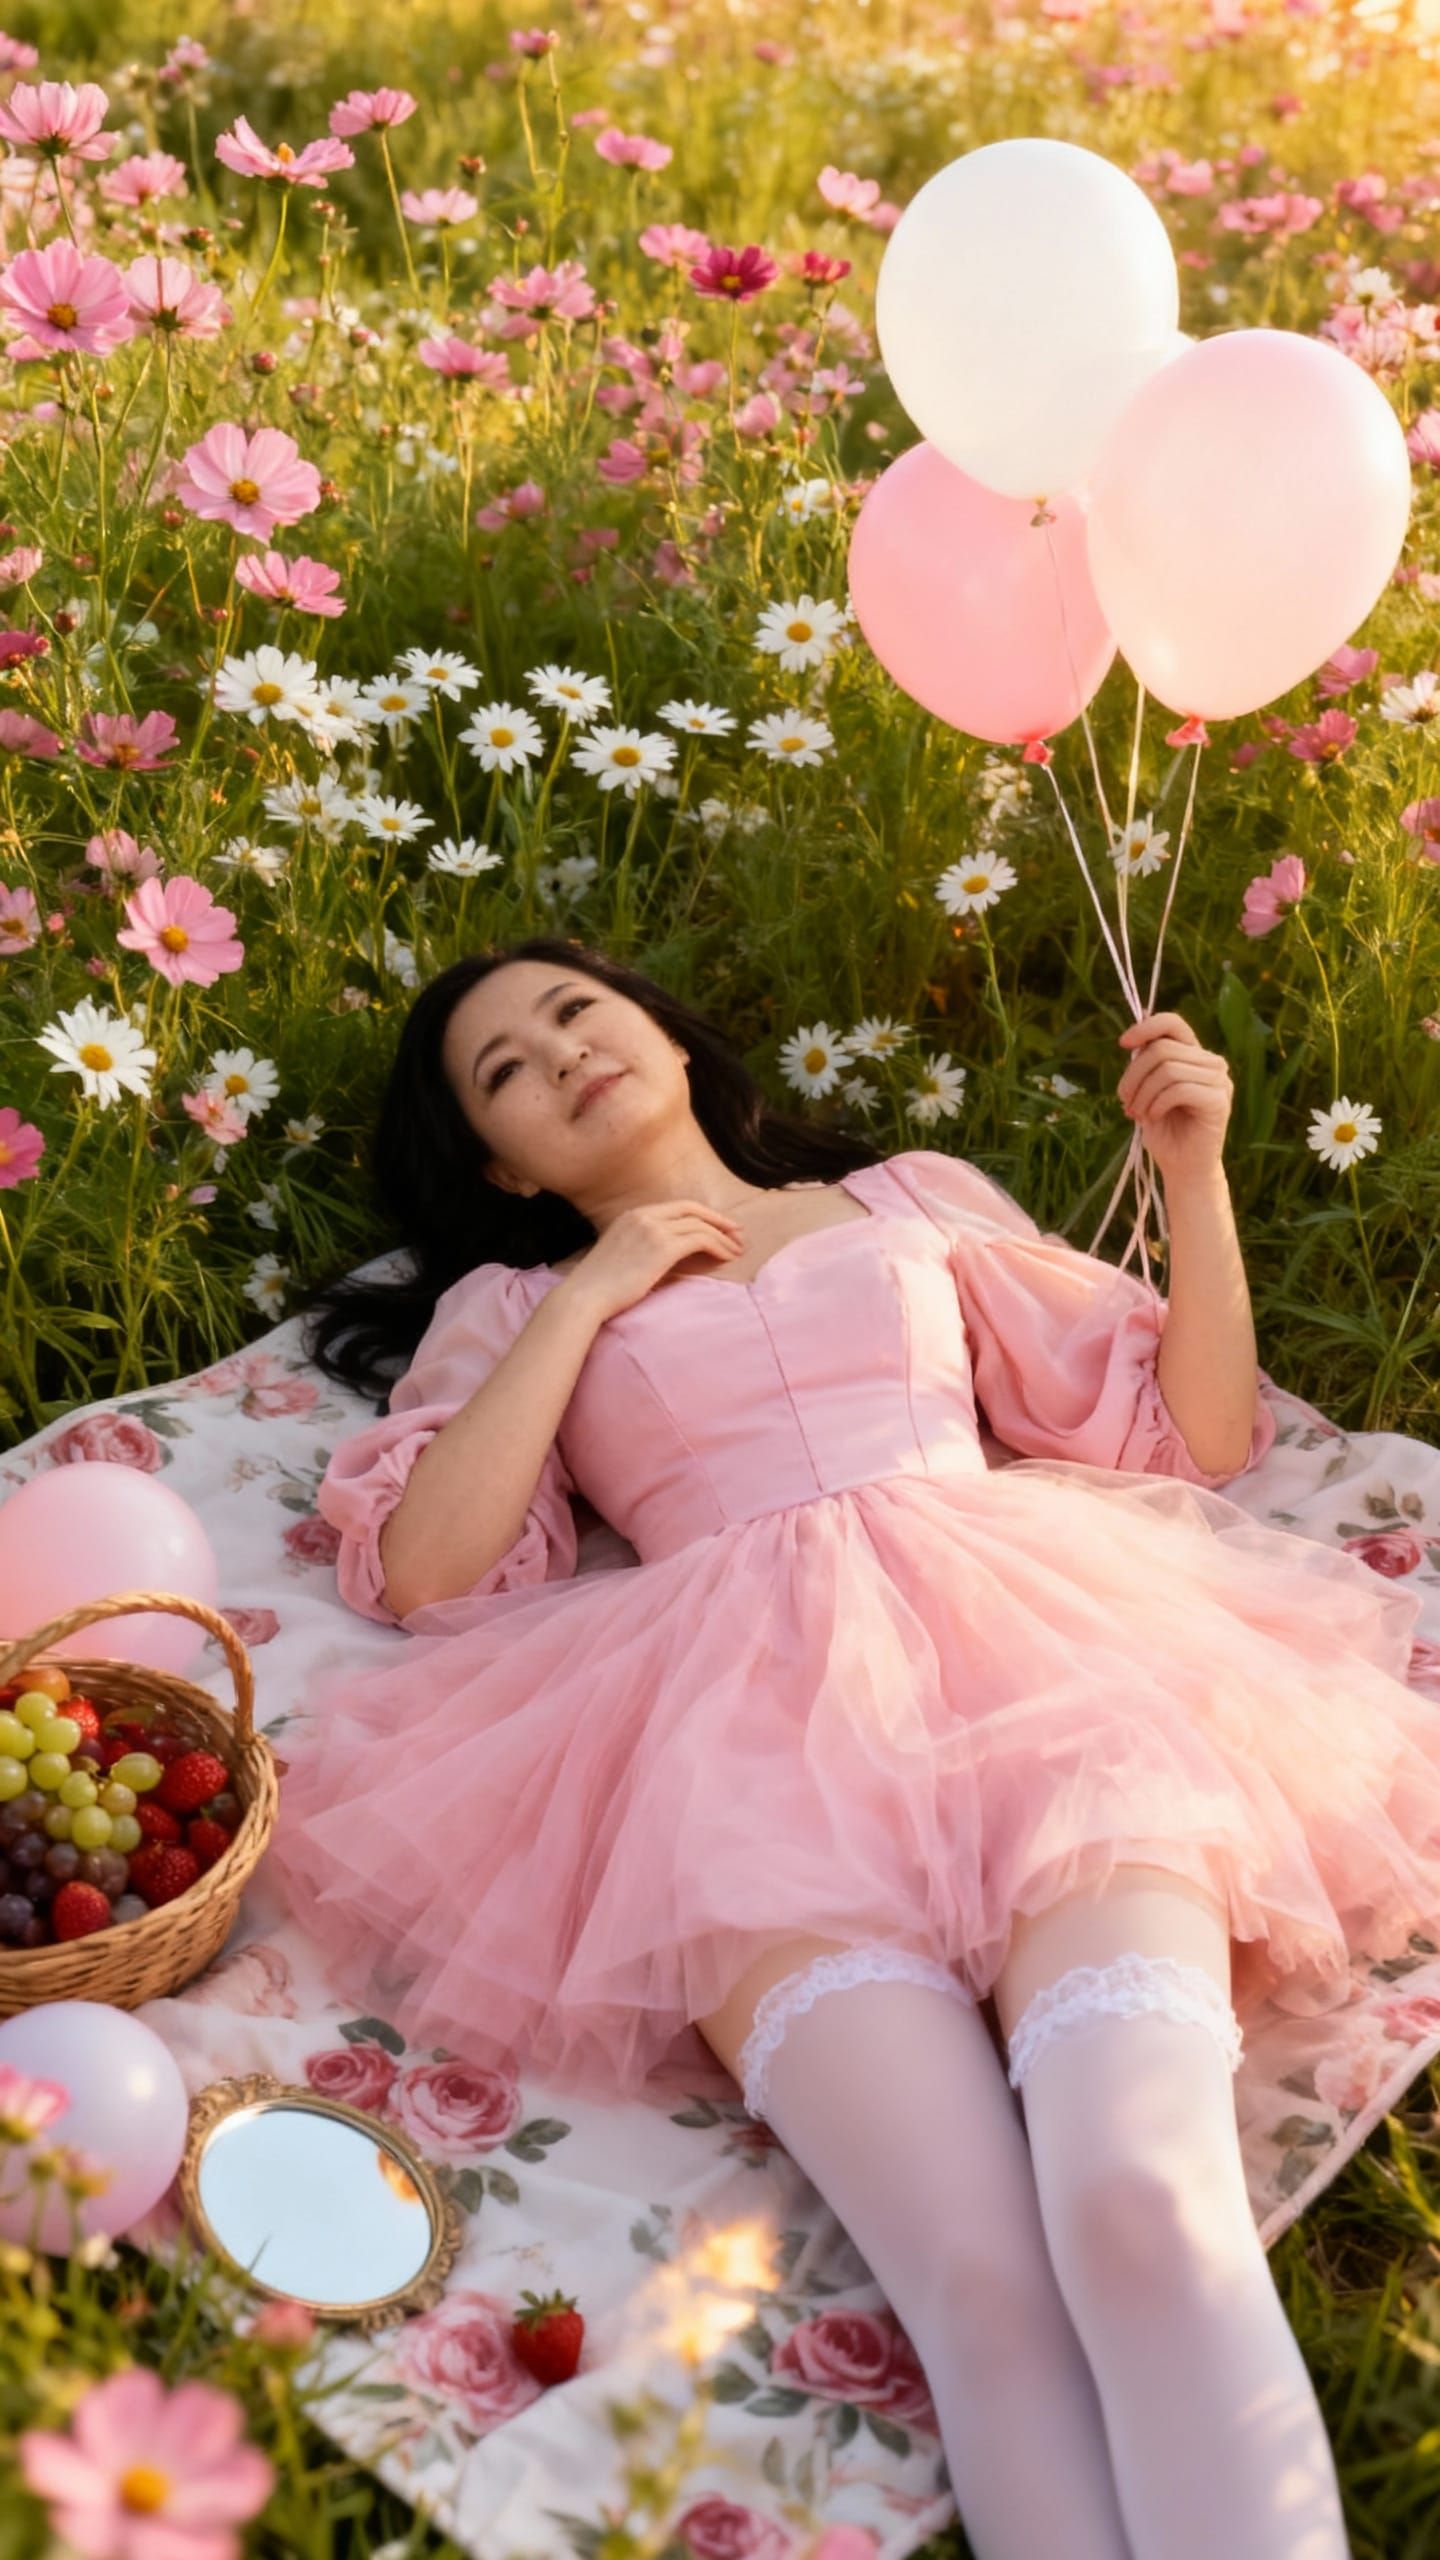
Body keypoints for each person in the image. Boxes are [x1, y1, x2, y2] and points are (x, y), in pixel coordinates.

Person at [273, 931, 1439, 2560]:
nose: (562, 1055)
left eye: (576, 1012)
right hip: (739, 1761)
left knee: (1141, 2196)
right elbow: (427, 1574)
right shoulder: (514, 1305)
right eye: (505, 1072)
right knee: (978, 2283)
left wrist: (1194, 1174)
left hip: (1049, 1670)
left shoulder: (907, 1200)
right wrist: (594, 1291)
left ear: (667, 1034)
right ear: (502, 1166)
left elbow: (1202, 1434)